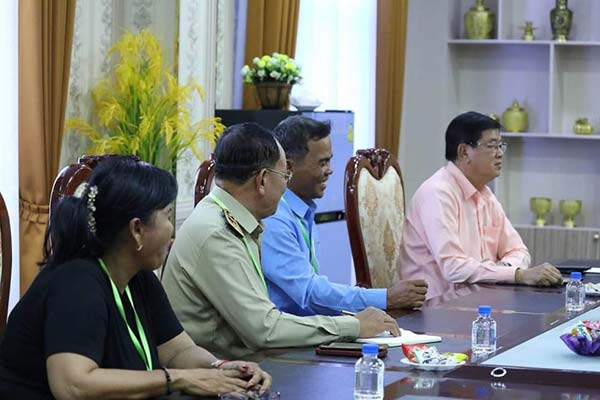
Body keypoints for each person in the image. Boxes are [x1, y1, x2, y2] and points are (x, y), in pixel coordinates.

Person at [0, 157, 271, 399]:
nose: (172, 230)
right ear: (137, 229)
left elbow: (177, 351)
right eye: (167, 216)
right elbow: (73, 385)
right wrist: (177, 379)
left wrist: (223, 369)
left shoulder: (138, 277)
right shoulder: (77, 284)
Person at [162, 123, 400, 359]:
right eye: (285, 176)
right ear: (262, 180)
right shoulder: (217, 233)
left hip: (250, 362)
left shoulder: (234, 219)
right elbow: (264, 329)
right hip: (219, 372)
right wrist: (353, 326)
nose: (286, 185)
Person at [261, 115, 427, 317]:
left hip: (314, 322)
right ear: (289, 167)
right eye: (322, 163)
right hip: (292, 331)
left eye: (329, 161)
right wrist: (385, 298)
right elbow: (309, 292)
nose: (329, 171)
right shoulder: (275, 217)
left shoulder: (303, 210)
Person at [398, 111, 563, 299]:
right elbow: (453, 267)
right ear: (464, 152)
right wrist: (516, 274)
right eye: (492, 146)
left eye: (501, 146)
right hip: (434, 306)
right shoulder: (437, 193)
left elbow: (518, 250)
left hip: (476, 301)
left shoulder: (485, 194)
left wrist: (504, 269)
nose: (499, 154)